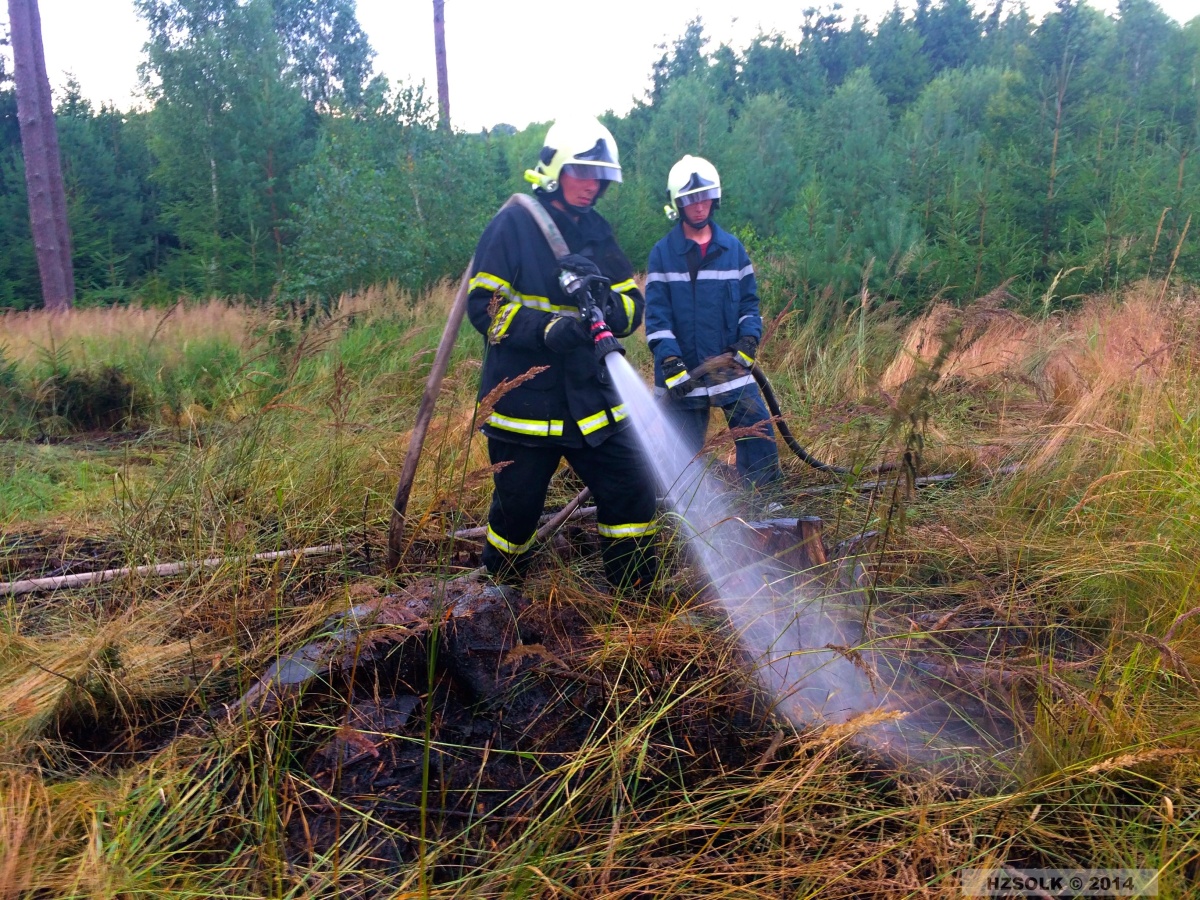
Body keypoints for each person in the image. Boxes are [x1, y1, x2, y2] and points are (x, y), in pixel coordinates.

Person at [465, 117, 658, 591]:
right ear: (555, 169)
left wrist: (606, 304)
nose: (591, 186)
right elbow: (483, 306)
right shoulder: (514, 224)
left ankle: (635, 601)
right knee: (517, 511)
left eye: (599, 177)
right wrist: (548, 329)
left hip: (592, 403)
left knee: (632, 486)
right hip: (525, 407)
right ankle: (499, 599)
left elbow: (632, 305)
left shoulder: (598, 231)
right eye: (582, 173)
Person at [644, 155, 783, 492]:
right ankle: (688, 512)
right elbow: (657, 316)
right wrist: (670, 360)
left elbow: (749, 304)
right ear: (678, 204)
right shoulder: (662, 254)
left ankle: (766, 502)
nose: (699, 206)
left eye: (704, 197)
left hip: (727, 365)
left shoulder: (732, 249)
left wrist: (748, 341)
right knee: (681, 457)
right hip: (682, 372)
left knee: (757, 432)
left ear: (714, 198)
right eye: (690, 199)